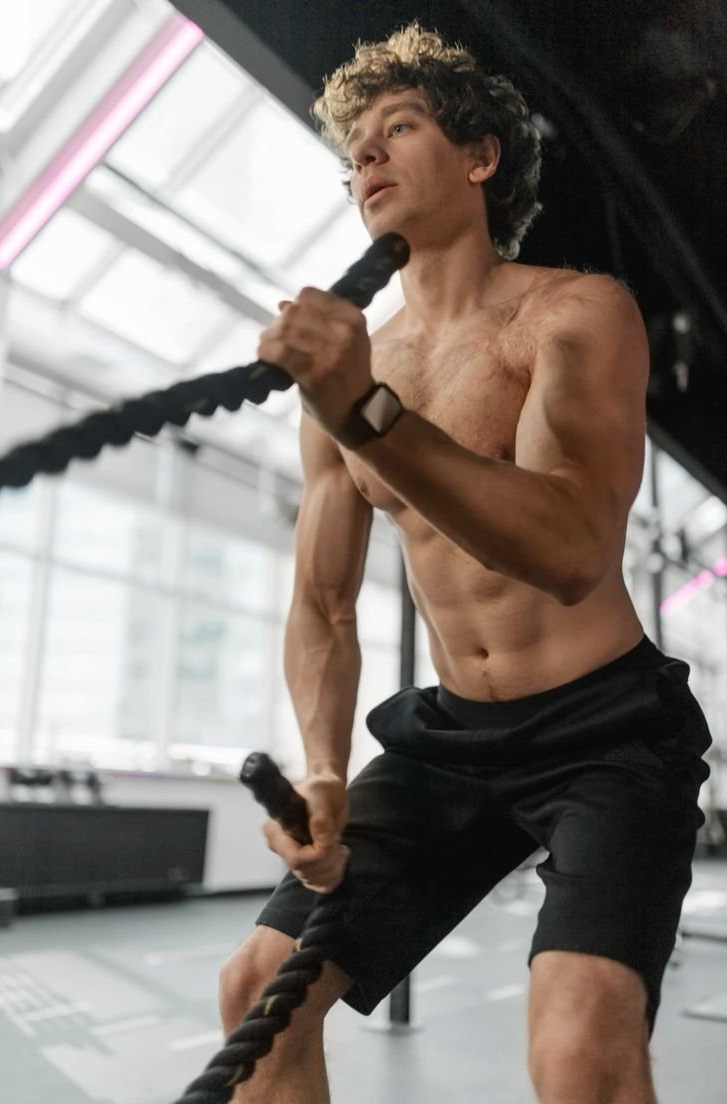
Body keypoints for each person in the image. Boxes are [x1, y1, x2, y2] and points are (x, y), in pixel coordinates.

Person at [218, 22, 712, 1104]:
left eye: (399, 129)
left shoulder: (573, 313)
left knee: (579, 1054)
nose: (369, 161)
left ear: (480, 158)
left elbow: (571, 549)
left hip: (606, 735)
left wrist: (369, 415)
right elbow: (323, 602)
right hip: (452, 736)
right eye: (355, 152)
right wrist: (326, 776)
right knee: (259, 990)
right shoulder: (356, 369)